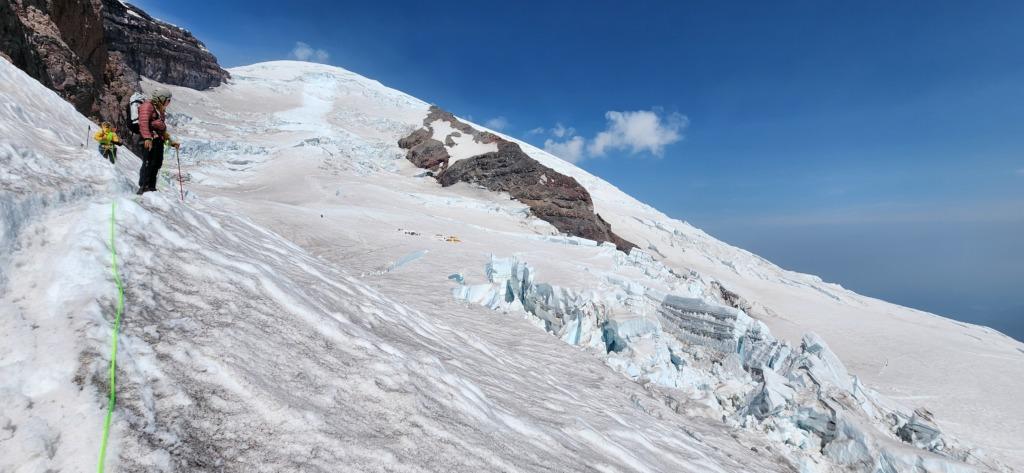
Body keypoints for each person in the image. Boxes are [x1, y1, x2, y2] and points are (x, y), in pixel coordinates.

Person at [136, 88, 180, 195]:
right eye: (167, 100)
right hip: (149, 140)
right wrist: (147, 137)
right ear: (161, 98)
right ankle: (143, 187)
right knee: (149, 162)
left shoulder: (159, 109)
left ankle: (151, 186)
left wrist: (171, 141)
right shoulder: (147, 106)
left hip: (157, 141)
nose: (168, 102)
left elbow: (161, 130)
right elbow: (143, 122)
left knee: (156, 163)